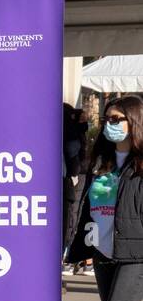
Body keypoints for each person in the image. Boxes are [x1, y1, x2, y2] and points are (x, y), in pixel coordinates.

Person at [67, 95, 143, 301]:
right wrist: (83, 248)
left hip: (136, 251)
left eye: (116, 119)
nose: (110, 125)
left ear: (134, 122)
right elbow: (89, 207)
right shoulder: (103, 161)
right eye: (109, 119)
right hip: (102, 248)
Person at [62, 102, 90, 274]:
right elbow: (73, 150)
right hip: (73, 176)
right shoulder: (72, 129)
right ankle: (68, 256)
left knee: (71, 215)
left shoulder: (69, 128)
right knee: (71, 215)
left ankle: (69, 257)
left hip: (73, 175)